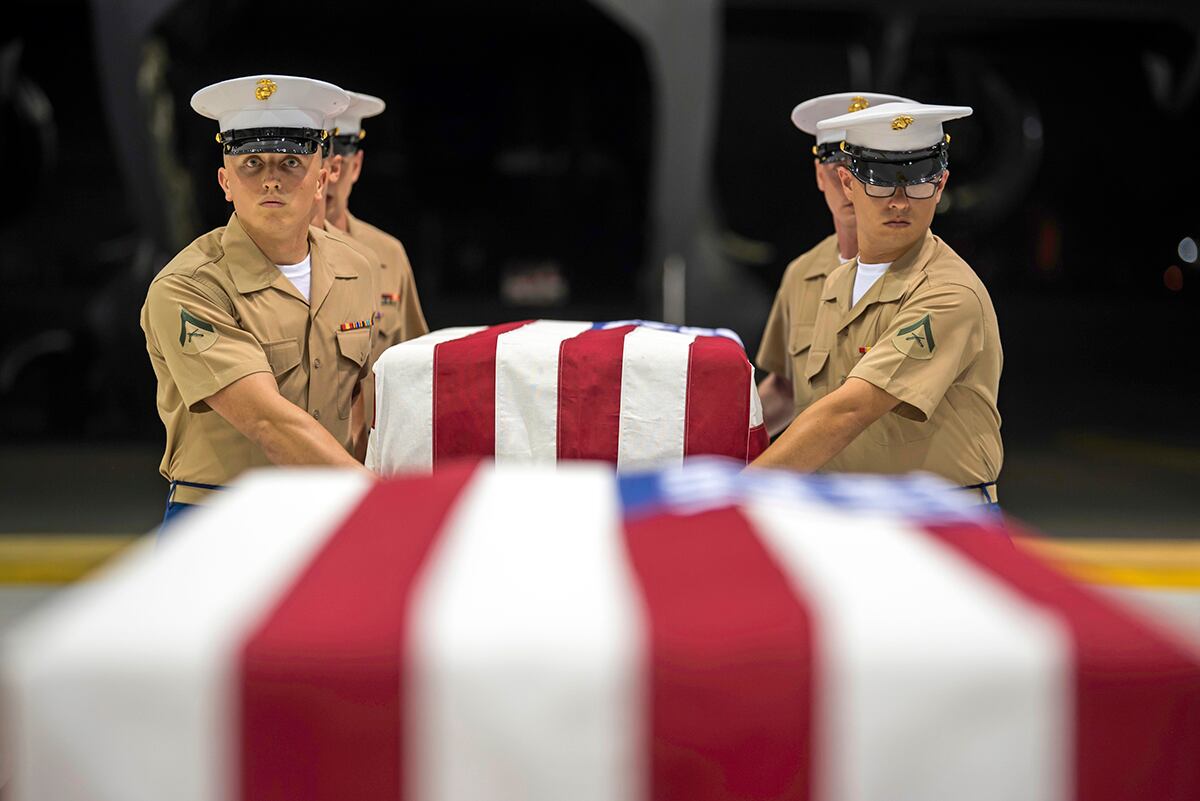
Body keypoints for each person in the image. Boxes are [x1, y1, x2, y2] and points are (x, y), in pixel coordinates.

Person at [140, 75, 378, 524]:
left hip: (330, 514)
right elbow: (268, 423)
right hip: (220, 519)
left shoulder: (356, 269)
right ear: (224, 181)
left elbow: (365, 402)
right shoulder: (188, 288)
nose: (271, 179)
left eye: (291, 162)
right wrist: (383, 500)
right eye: (251, 163)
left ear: (324, 176)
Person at [751, 101, 1002, 505]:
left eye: (919, 183)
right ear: (847, 183)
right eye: (880, 182)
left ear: (940, 186)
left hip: (936, 524)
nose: (900, 202)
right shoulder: (836, 282)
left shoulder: (948, 292)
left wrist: (737, 490)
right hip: (851, 516)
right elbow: (797, 395)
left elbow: (849, 410)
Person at [757, 92, 911, 436]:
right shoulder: (803, 273)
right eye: (837, 164)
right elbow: (786, 390)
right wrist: (712, 448)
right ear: (820, 174)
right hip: (826, 481)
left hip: (901, 480)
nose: (850, 182)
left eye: (868, 166)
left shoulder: (929, 277)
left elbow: (854, 410)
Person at [323, 91, 428, 425]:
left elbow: (415, 366)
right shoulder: (278, 255)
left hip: (371, 454)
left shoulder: (387, 254)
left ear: (353, 166)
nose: (329, 173)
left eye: (338, 158)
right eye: (316, 157)